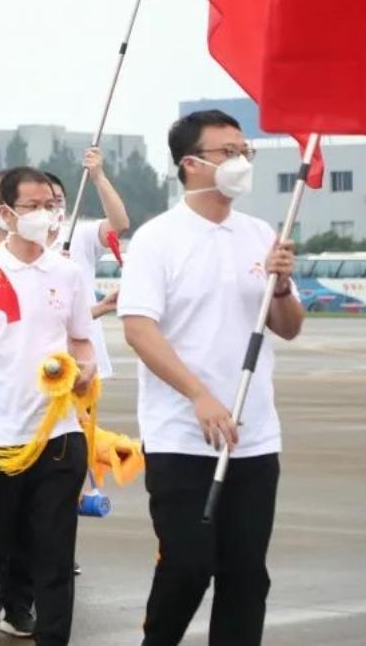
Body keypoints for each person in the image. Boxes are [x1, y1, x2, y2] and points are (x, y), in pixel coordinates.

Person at [119, 110, 303, 646]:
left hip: (254, 436)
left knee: (246, 576)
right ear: (191, 164)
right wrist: (198, 395)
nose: (240, 161)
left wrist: (282, 286)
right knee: (188, 566)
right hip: (182, 435)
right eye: (227, 152)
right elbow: (139, 329)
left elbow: (288, 327)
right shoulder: (158, 239)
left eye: (245, 151)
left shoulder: (262, 235)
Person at [0, 167, 95, 646]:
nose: (43, 214)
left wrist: (85, 367)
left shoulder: (67, 273)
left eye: (50, 205)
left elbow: (83, 341)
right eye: (32, 206)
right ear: (5, 212)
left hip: (57, 435)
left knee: (54, 555)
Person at [45, 146, 132, 379]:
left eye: (58, 200)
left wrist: (98, 177)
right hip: (40, 363)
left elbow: (120, 224)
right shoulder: (18, 248)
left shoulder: (79, 235)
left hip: (84, 364)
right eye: (45, 202)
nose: (53, 207)